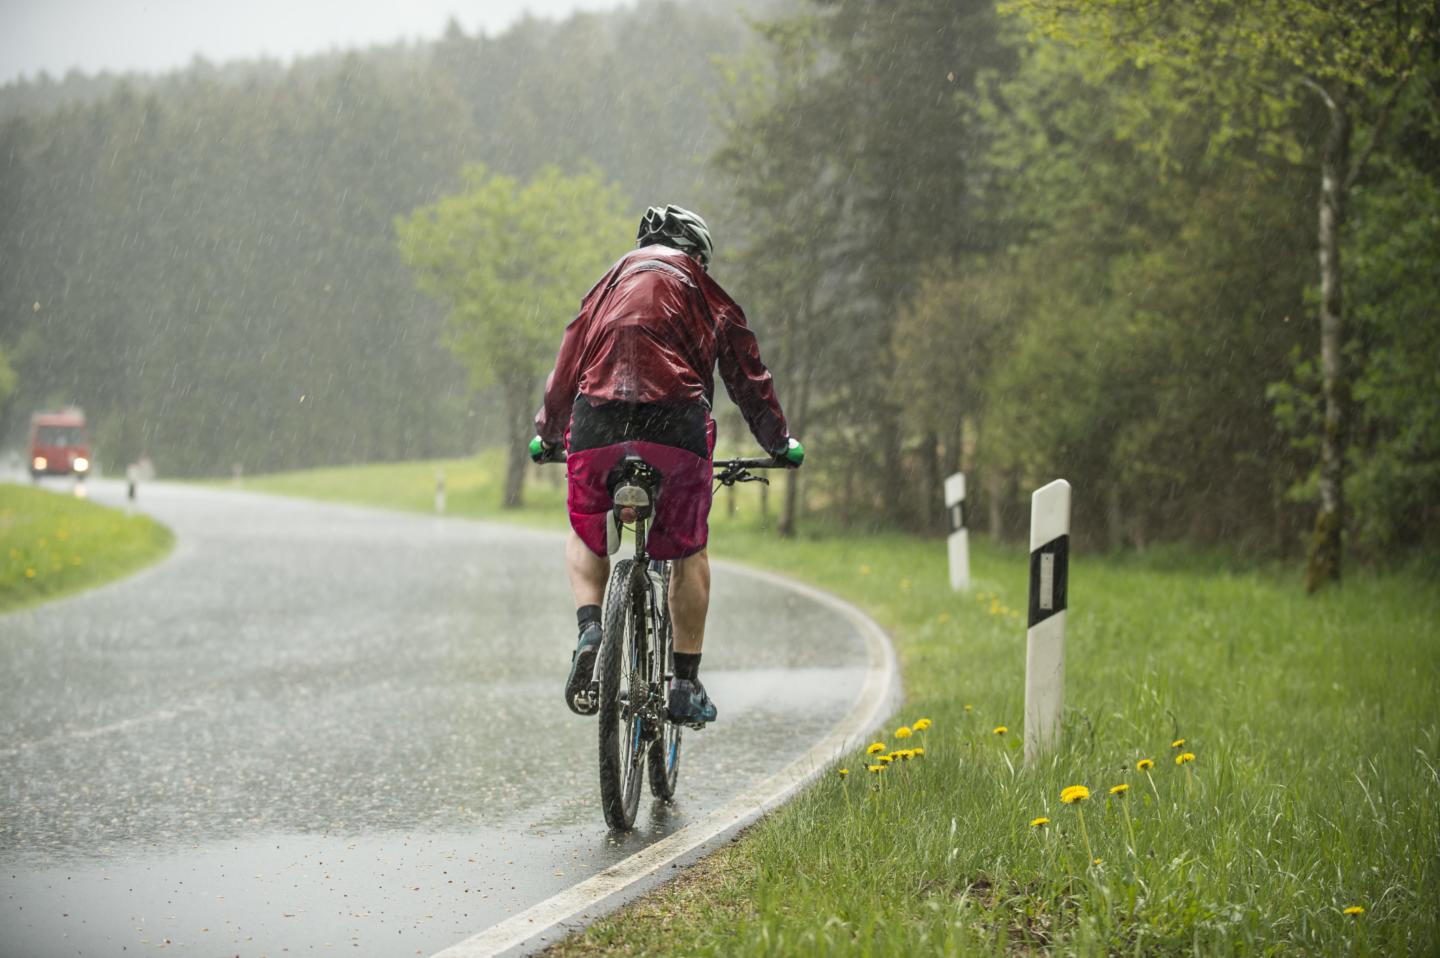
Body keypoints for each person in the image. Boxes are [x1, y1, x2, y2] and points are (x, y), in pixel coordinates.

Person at [530, 204, 803, 729]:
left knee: (588, 535)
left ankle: (590, 630)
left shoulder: (605, 287)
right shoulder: (705, 290)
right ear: (697, 255)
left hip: (598, 424)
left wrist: (547, 433)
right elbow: (747, 378)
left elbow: (566, 367)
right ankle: (684, 682)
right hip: (675, 427)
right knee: (689, 551)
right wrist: (778, 441)